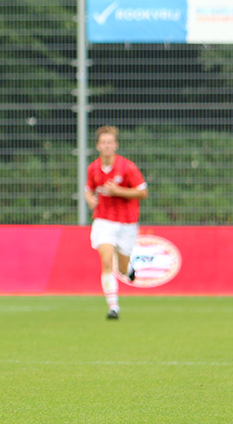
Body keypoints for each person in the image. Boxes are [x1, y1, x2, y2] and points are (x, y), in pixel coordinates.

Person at [84, 125, 148, 320]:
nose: (107, 146)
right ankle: (113, 307)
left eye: (110, 142)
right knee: (106, 260)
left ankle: (128, 270)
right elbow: (88, 189)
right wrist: (89, 199)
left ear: (116, 145)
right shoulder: (93, 168)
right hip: (104, 220)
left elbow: (142, 192)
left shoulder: (127, 167)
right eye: (103, 143)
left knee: (121, 267)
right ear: (98, 146)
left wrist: (118, 191)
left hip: (127, 222)